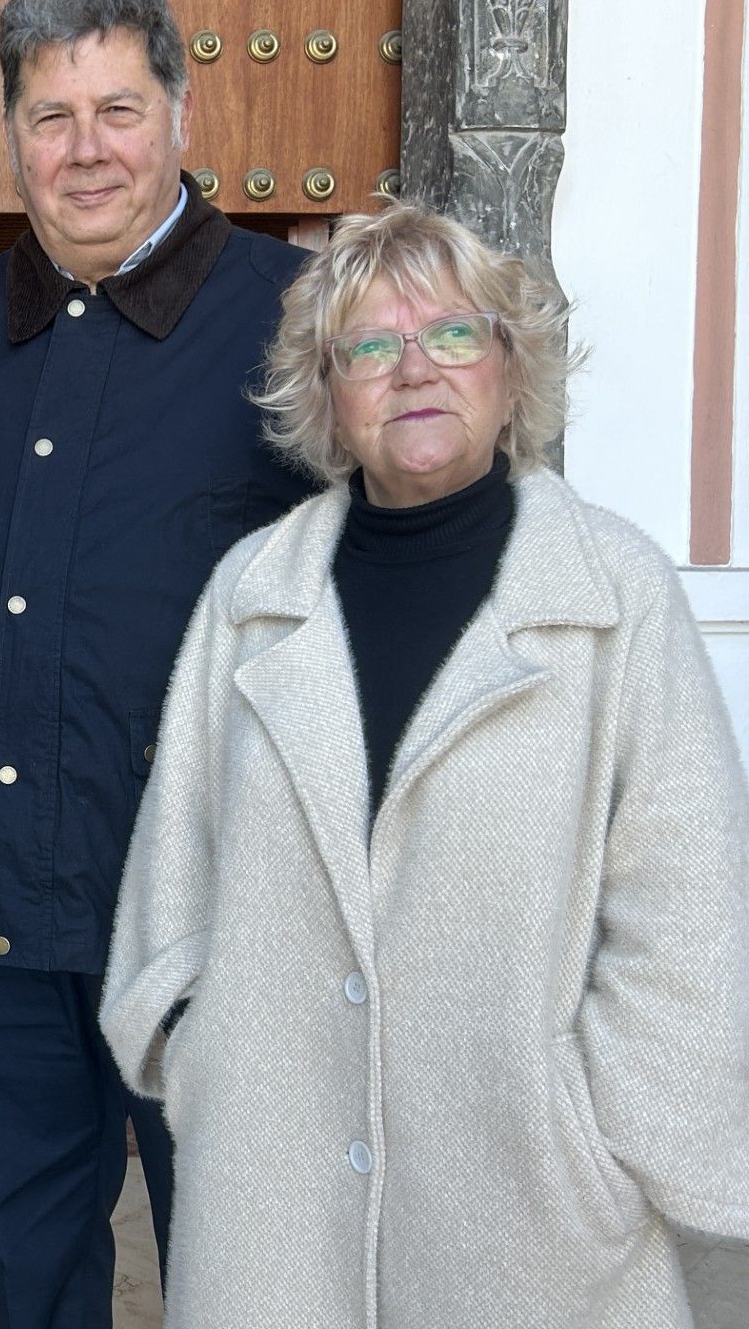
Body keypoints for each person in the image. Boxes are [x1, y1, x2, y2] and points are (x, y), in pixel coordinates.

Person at [101, 202, 749, 1327]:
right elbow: (177, 865)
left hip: (537, 1218)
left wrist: (595, 1137)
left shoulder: (617, 598)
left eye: (451, 335)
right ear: (328, 393)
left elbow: (690, 920)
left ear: (510, 366)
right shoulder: (254, 597)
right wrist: (200, 1051)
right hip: (276, 1192)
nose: (413, 370)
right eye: (369, 345)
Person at [0, 0, 317, 1324]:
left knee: (241, 1263)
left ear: (183, 115)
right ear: (11, 134)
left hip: (225, 918)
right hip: (6, 908)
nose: (86, 149)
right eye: (51, 115)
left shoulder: (301, 321)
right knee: (39, 1259)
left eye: (119, 109)